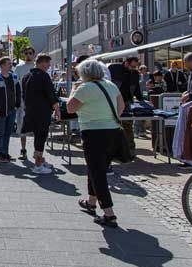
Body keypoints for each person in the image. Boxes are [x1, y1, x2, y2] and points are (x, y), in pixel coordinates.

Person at [66, 59, 124, 227]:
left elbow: (70, 108)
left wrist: (73, 91)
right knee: (96, 168)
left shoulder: (85, 88)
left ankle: (109, 213)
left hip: (93, 133)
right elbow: (120, 107)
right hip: (112, 131)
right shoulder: (111, 85)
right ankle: (91, 202)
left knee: (97, 173)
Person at [21, 53, 61, 174]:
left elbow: (23, 94)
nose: (48, 66)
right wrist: (57, 110)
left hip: (30, 110)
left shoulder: (26, 76)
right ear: (42, 63)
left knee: (37, 136)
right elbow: (51, 95)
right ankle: (38, 165)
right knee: (41, 136)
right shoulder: (43, 76)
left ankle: (39, 159)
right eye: (47, 63)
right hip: (42, 111)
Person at [0, 57, 21, 163]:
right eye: (8, 64)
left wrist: (17, 105)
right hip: (1, 111)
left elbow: (18, 91)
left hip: (12, 110)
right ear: (2, 65)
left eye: (10, 64)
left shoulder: (14, 77)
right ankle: (1, 154)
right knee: (0, 133)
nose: (10, 65)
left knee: (8, 133)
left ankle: (6, 153)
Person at [118, 56, 146, 153]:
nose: (133, 69)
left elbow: (137, 88)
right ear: (126, 63)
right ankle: (118, 148)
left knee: (127, 125)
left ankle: (130, 148)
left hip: (128, 101)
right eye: (132, 66)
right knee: (115, 124)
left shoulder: (135, 74)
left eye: (135, 67)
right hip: (116, 101)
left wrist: (142, 101)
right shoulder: (117, 71)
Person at [14, 47, 36, 160]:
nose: (28, 55)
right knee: (21, 125)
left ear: (34, 54)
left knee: (36, 126)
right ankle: (23, 150)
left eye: (30, 53)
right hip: (22, 100)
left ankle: (38, 152)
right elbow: (15, 82)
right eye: (26, 53)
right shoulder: (19, 67)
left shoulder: (37, 67)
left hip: (35, 100)